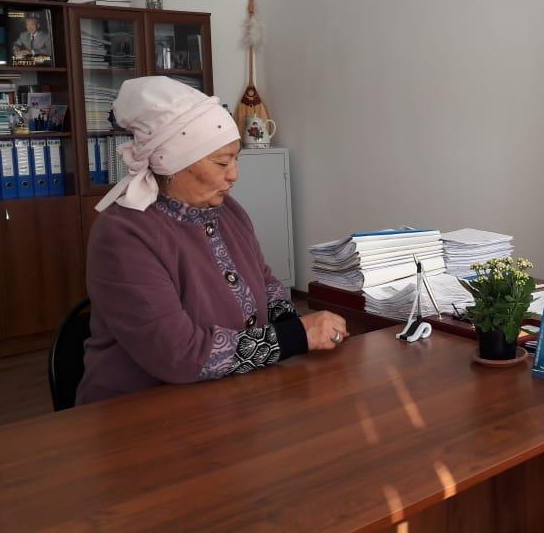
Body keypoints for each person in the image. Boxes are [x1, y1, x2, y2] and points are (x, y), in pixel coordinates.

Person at [76, 76, 350, 405]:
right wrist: (296, 336)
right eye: (222, 162)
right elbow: (178, 354)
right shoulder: (123, 235)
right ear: (172, 163)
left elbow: (265, 283)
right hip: (141, 410)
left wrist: (291, 321)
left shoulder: (228, 211)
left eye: (236, 159)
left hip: (231, 398)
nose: (233, 175)